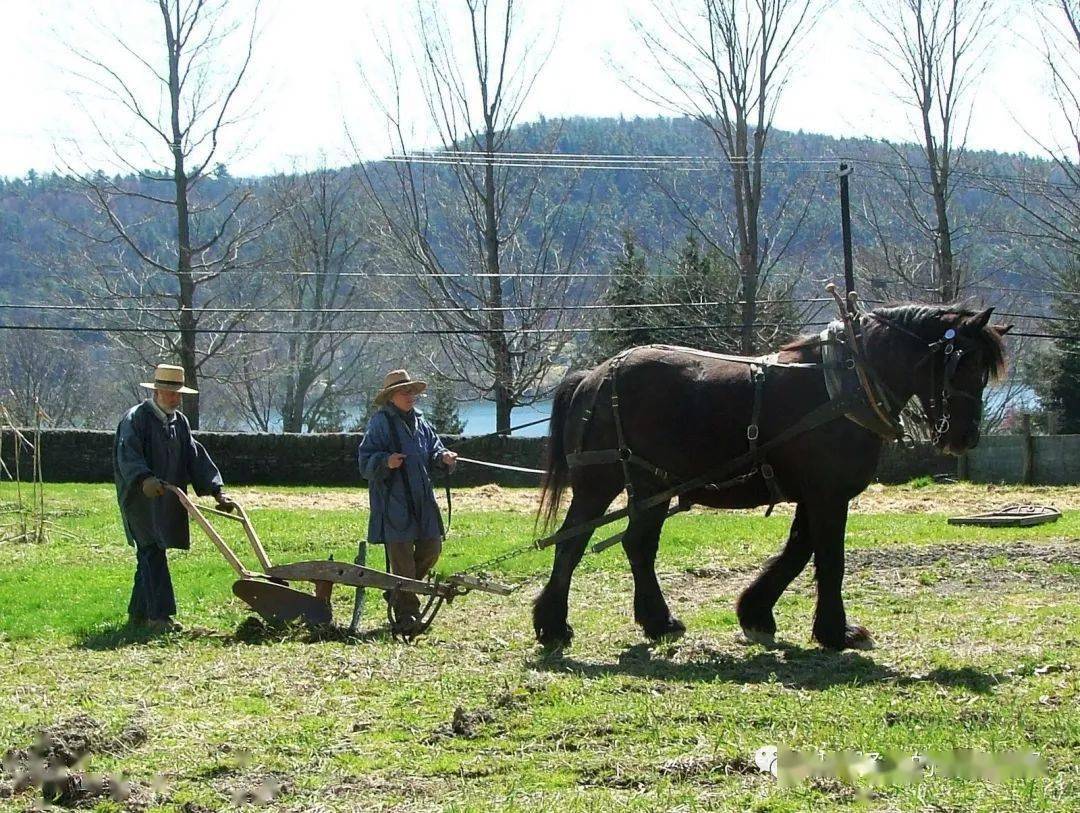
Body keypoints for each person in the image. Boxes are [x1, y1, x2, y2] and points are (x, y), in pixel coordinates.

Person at [113, 363, 237, 631]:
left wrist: (218, 491)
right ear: (157, 391)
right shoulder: (135, 419)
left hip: (166, 498)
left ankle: (138, 616)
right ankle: (160, 617)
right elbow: (128, 454)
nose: (175, 398)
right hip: (140, 499)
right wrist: (144, 478)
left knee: (151, 551)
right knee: (152, 549)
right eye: (170, 393)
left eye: (178, 393)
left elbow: (195, 457)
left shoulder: (179, 422)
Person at [358, 369, 457, 632]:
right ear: (391, 397)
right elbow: (364, 461)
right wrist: (385, 461)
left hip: (422, 500)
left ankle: (397, 593)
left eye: (413, 391)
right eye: (405, 391)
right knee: (402, 561)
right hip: (394, 503)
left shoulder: (421, 422)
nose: (411, 395)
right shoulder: (379, 423)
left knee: (432, 549)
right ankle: (407, 614)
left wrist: (443, 457)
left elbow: (434, 449)